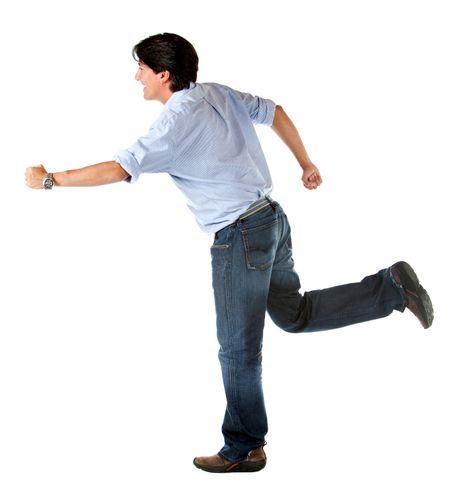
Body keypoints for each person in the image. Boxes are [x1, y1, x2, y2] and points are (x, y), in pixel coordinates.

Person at [25, 32, 434, 473]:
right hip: (272, 220)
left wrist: (51, 179)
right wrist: (305, 162)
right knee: (293, 314)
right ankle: (391, 288)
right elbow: (274, 111)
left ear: (164, 74)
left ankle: (243, 447)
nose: (136, 76)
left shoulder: (173, 123)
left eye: (141, 67)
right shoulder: (216, 93)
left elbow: (119, 168)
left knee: (238, 350)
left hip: (239, 235)